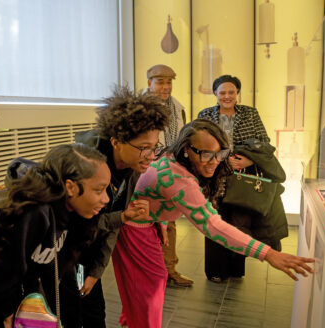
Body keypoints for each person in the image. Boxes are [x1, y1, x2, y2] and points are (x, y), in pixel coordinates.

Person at [112, 119, 314, 328]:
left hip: (146, 224)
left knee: (147, 286)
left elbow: (150, 192)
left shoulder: (172, 158)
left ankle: (132, 319)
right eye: (206, 154)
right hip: (135, 229)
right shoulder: (178, 179)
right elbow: (212, 225)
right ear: (186, 150)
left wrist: (160, 223)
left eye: (220, 154)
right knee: (150, 290)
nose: (214, 161)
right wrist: (268, 253)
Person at [0, 143, 117, 327]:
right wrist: (7, 316)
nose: (106, 199)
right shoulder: (34, 211)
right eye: (98, 190)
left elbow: (43, 266)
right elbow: (1, 276)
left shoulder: (64, 211)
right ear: (71, 187)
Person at [63, 86, 170, 327]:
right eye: (144, 148)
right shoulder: (88, 168)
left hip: (87, 253)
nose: (151, 156)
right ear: (116, 142)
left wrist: (96, 271)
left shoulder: (131, 170)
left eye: (154, 147)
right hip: (67, 254)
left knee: (93, 313)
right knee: (76, 315)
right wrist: (122, 216)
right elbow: (78, 227)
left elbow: (110, 227)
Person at [198, 74, 289, 282]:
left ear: (237, 93)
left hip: (244, 178)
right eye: (222, 93)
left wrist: (248, 160)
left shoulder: (250, 113)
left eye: (231, 92)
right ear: (215, 94)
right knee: (215, 220)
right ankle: (216, 270)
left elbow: (265, 142)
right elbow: (200, 146)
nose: (227, 96)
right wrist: (223, 160)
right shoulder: (205, 115)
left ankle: (236, 269)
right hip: (215, 176)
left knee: (238, 222)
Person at [144, 64, 193, 287]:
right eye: (160, 82)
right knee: (144, 223)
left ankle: (169, 270)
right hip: (144, 171)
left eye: (169, 82)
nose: (166, 87)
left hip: (169, 168)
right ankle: (152, 271)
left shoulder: (177, 108)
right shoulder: (137, 108)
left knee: (169, 220)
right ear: (149, 83)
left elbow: (182, 139)